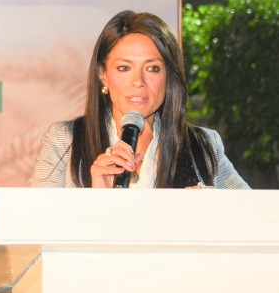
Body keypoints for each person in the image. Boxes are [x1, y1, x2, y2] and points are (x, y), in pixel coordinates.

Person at [30, 10, 249, 189]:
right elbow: (34, 222)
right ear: (103, 75)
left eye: (152, 68)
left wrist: (211, 209)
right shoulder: (65, 141)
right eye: (124, 68)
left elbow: (255, 214)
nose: (138, 81)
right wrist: (96, 202)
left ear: (169, 77)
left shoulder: (202, 146)